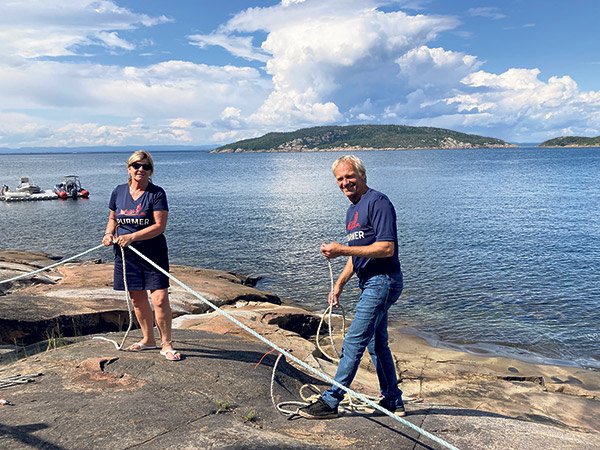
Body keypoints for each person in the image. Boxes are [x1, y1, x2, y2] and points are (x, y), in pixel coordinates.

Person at [299, 155, 404, 419]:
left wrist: (340, 249)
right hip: (369, 282)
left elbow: (386, 247)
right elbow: (357, 255)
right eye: (340, 179)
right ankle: (392, 400)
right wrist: (339, 284)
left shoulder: (378, 202)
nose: (345, 182)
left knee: (353, 341)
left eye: (350, 177)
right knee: (376, 344)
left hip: (383, 281)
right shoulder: (351, 211)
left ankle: (331, 400)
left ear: (363, 176)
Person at [102, 150, 180, 361]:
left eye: (146, 167)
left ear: (151, 171)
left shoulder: (156, 193)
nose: (140, 170)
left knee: (160, 298)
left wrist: (133, 237)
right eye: (136, 165)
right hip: (126, 255)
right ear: (129, 168)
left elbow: (159, 226)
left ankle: (166, 344)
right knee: (137, 300)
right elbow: (112, 218)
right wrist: (109, 234)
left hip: (153, 254)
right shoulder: (118, 192)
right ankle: (148, 340)